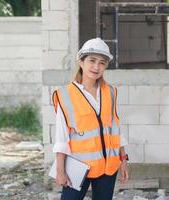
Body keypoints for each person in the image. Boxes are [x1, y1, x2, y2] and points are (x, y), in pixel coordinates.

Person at [50, 37, 129, 200]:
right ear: (81, 61)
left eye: (102, 62)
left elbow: (115, 129)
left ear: (106, 66)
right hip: (77, 166)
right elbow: (61, 137)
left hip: (107, 166)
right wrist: (60, 170)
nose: (96, 67)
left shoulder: (111, 92)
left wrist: (123, 159)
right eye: (92, 60)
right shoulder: (65, 95)